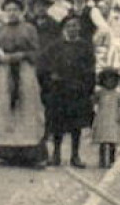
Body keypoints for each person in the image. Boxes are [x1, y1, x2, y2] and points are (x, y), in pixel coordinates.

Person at [0, 0, 47, 166]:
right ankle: (7, 153)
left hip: (25, 71)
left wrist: (23, 55)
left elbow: (37, 52)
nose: (12, 13)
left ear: (22, 12)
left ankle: (30, 152)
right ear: (4, 12)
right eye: (9, 10)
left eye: (15, 10)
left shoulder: (29, 29)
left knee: (27, 108)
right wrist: (0, 59)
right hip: (4, 72)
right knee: (4, 108)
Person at [40, 16, 96, 167]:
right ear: (64, 28)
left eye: (75, 26)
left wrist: (87, 87)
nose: (72, 28)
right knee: (57, 123)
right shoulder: (55, 46)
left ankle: (75, 155)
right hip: (59, 91)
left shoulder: (85, 47)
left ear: (79, 28)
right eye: (69, 25)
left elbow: (91, 68)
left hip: (77, 90)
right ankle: (56, 154)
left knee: (75, 125)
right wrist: (51, 79)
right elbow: (44, 66)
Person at [93, 67, 120, 168]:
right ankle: (102, 160)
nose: (110, 82)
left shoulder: (118, 95)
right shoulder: (100, 93)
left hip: (113, 120)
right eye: (107, 80)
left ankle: (112, 159)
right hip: (102, 120)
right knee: (103, 142)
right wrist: (94, 110)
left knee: (112, 141)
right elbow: (94, 102)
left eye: (113, 80)